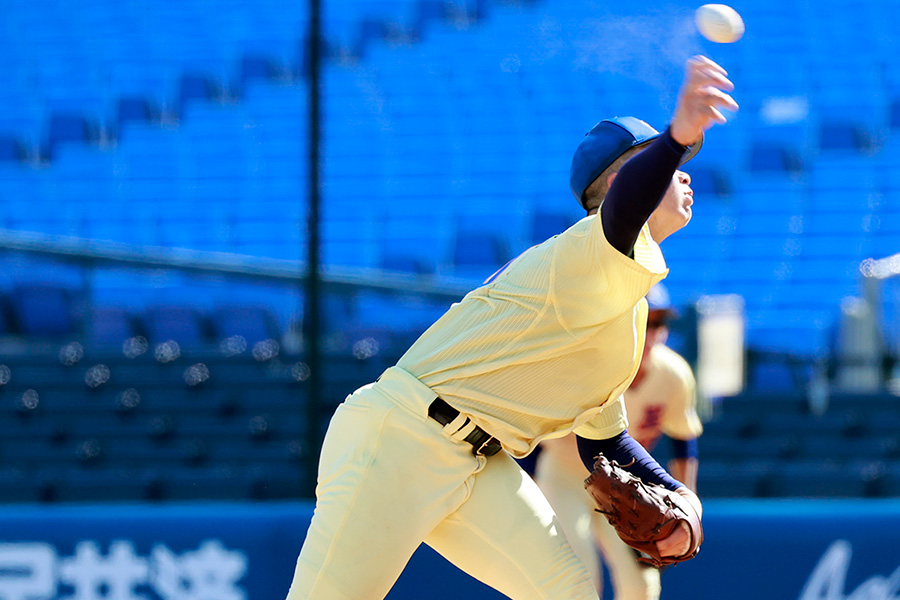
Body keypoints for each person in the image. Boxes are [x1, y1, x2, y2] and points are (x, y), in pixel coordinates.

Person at [286, 55, 737, 600]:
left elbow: (606, 443)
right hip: (398, 439)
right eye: (666, 165)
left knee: (568, 592)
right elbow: (622, 213)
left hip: (478, 463)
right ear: (621, 181)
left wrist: (676, 496)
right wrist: (675, 136)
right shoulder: (589, 250)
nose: (683, 171)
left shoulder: (623, 301)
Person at [535, 282, 703, 599]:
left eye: (661, 323)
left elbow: (684, 442)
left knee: (642, 586)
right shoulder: (590, 363)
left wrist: (684, 505)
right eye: (647, 321)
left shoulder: (674, 374)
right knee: (578, 579)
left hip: (628, 486)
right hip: (564, 476)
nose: (654, 332)